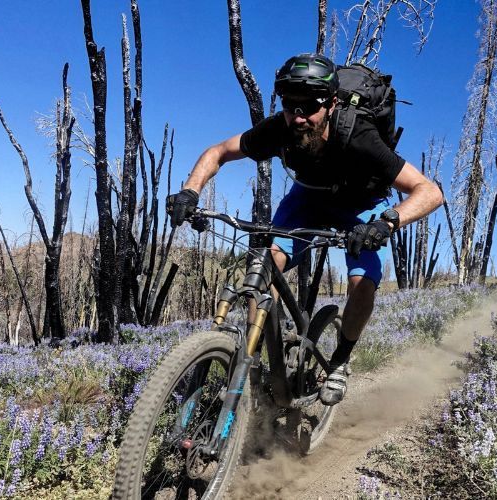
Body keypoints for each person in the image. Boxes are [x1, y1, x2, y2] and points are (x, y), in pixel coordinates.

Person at [168, 53, 443, 405]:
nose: (298, 116)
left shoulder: (358, 135)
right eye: (289, 105)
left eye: (309, 107)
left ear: (329, 104)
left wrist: (387, 223)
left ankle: (341, 362)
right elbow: (219, 152)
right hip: (308, 200)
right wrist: (190, 190)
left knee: (362, 282)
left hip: (361, 208)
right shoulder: (281, 128)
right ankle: (255, 366)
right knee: (264, 267)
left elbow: (430, 191)